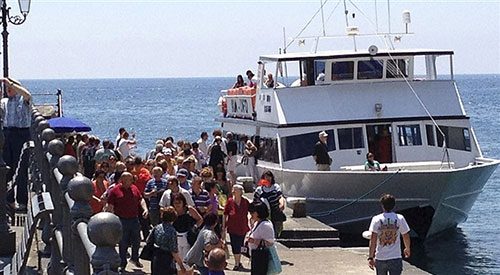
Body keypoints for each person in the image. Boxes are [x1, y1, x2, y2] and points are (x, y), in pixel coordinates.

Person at [106, 172, 149, 271]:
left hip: (134, 218)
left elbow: (141, 200)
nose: (129, 182)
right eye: (127, 180)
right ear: (122, 180)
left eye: (130, 179)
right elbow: (110, 205)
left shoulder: (134, 188)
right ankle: (122, 263)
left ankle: (135, 258)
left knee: (137, 240)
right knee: (123, 242)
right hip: (121, 219)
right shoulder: (115, 190)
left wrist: (145, 209)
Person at [368, 194, 411, 275]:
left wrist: (370, 257)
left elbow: (373, 239)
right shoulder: (400, 218)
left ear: (382, 205)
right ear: (394, 205)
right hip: (395, 256)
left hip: (380, 257)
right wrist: (407, 248)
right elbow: (405, 235)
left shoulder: (376, 219)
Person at [149, 206, 186, 275]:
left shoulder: (157, 227)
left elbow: (148, 240)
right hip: (166, 260)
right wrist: (181, 266)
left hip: (156, 258)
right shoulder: (172, 231)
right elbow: (174, 251)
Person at [172, 193, 203, 268]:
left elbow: (200, 219)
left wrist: (194, 227)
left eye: (179, 202)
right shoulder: (172, 211)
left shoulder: (189, 209)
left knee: (187, 261)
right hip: (176, 238)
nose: (177, 205)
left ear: (183, 202)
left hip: (188, 238)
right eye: (175, 203)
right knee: (177, 261)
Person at [224, 184, 250, 271]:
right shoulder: (230, 201)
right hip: (232, 227)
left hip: (242, 227)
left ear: (240, 192)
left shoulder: (245, 202)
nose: (233, 191)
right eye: (233, 190)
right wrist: (223, 226)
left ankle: (238, 261)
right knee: (234, 244)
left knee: (240, 244)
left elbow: (252, 212)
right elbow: (225, 214)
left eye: (235, 190)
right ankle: (237, 263)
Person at [254, 171, 286, 238]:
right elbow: (255, 202)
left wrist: (282, 204)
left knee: (276, 231)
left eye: (269, 176)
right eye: (266, 176)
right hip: (264, 215)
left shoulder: (275, 187)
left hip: (276, 213)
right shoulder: (259, 189)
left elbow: (280, 196)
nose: (267, 178)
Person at [247, 201, 275, 275]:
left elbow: (270, 243)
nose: (251, 215)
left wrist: (254, 241)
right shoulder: (257, 222)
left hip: (261, 257)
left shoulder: (265, 225)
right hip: (255, 256)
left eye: (252, 213)